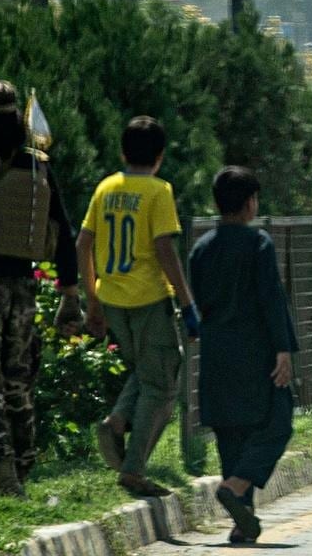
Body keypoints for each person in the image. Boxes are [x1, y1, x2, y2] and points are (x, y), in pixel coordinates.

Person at [77, 116, 200, 497]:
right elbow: (165, 248)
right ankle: (133, 469)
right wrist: (187, 301)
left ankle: (117, 421)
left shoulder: (106, 188)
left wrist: (92, 301)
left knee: (146, 372)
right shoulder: (158, 191)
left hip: (112, 298)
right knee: (162, 385)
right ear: (160, 156)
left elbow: (83, 243)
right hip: (149, 298)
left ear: (122, 152)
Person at [0, 80, 82, 498]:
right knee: (18, 378)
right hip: (23, 286)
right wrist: (70, 295)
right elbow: (64, 233)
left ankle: (2, 475)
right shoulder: (36, 166)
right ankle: (22, 466)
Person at [189, 166, 298, 544]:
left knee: (232, 436)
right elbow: (271, 299)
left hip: (217, 352)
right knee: (277, 421)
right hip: (256, 351)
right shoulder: (259, 244)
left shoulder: (201, 248)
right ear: (250, 203)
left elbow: (198, 301)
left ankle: (243, 521)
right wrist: (283, 349)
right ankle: (235, 488)